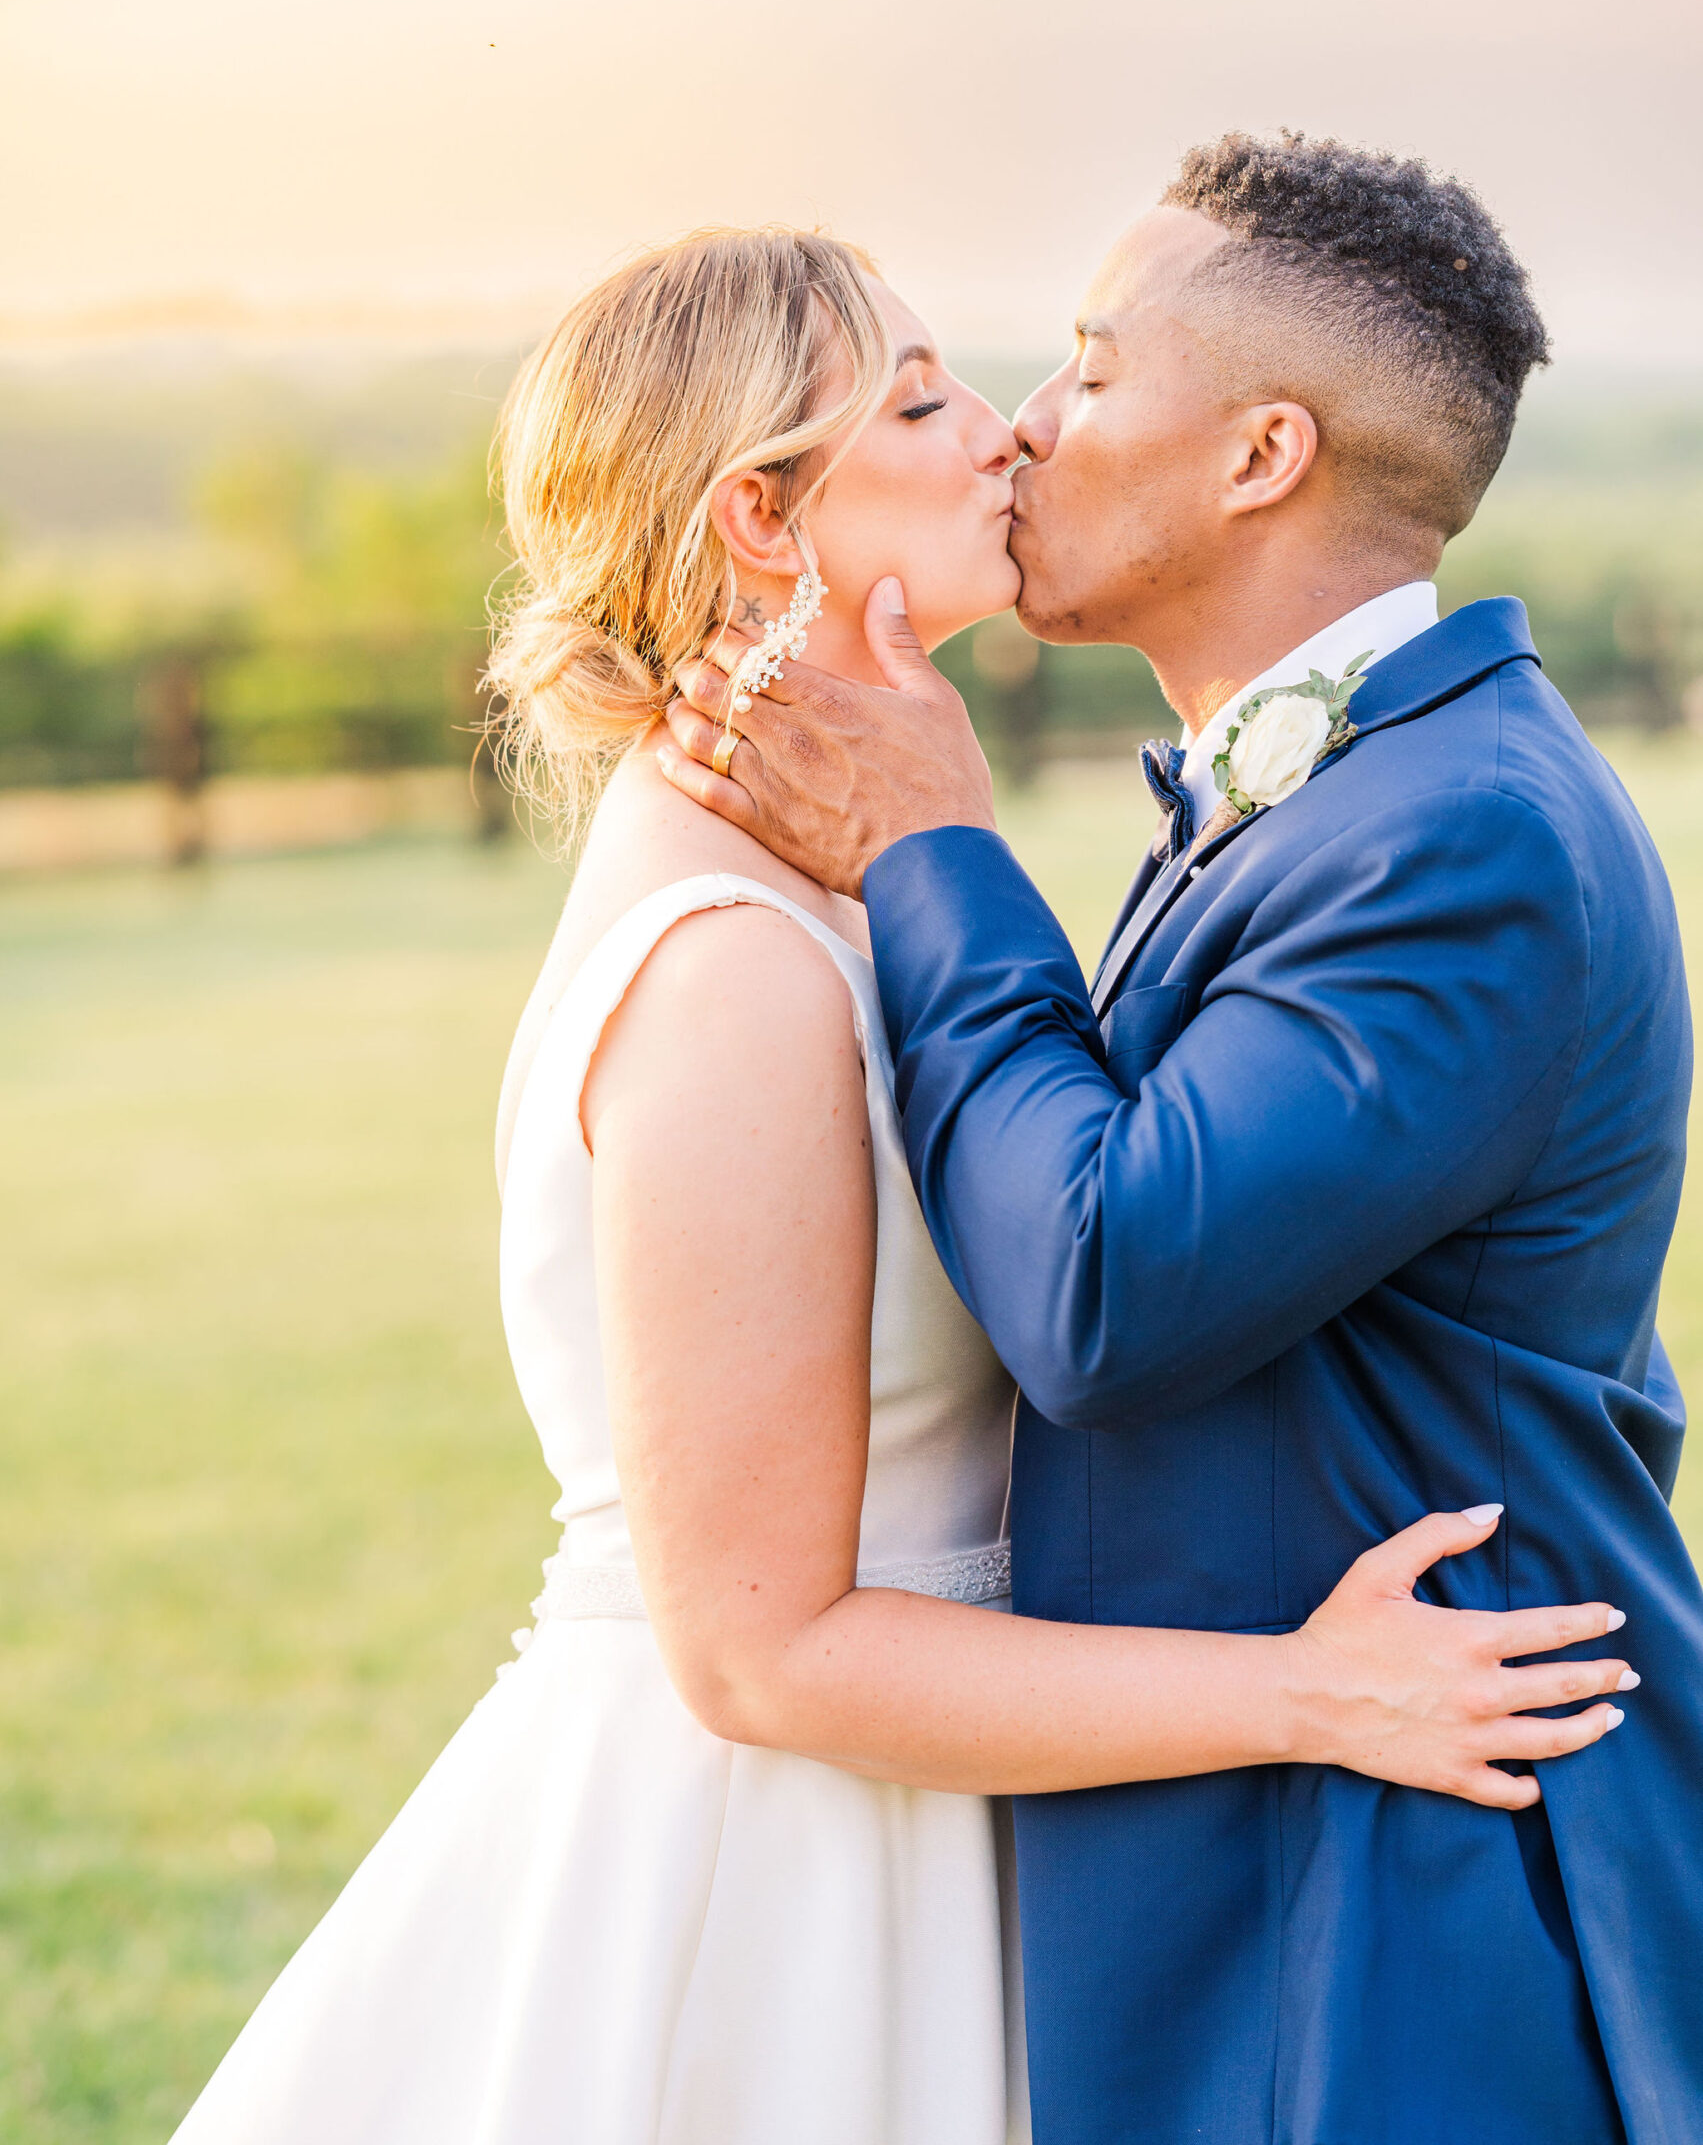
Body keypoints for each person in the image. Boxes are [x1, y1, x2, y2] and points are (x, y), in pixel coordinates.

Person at [171, 225, 1633, 2145]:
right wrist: (1305, 1694)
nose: (1008, 439)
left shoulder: (841, 888)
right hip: (774, 1890)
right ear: (765, 520)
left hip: (949, 1824)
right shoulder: (734, 965)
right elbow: (759, 1647)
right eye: (928, 400)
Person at [660, 147, 1702, 2145]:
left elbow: (1104, 1281)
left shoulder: (1463, 832)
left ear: (1258, 456)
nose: (1025, 427)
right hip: (1268, 1852)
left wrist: (928, 851)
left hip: (1417, 1905)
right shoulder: (1336, 798)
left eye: (1086, 367)